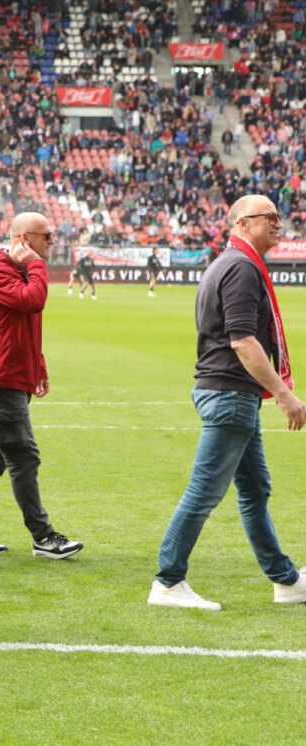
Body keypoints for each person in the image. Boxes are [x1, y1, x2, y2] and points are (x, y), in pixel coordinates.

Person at [149, 196, 306, 610]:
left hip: (230, 393)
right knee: (205, 491)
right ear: (241, 223)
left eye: (279, 215)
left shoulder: (232, 262)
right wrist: (285, 395)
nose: (278, 222)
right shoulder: (241, 267)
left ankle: (286, 581)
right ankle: (168, 581)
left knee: (255, 489)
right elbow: (242, 339)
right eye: (268, 217)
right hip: (230, 394)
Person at [0, 213, 83, 559]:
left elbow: (27, 321)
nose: (52, 243)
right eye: (48, 237)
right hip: (3, 377)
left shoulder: (17, 271)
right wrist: (39, 266)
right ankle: (43, 537)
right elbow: (34, 301)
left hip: (15, 374)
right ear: (25, 239)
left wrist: (38, 366)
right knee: (23, 455)